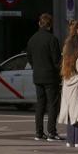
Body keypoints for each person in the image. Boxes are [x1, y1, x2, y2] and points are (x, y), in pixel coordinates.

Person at [26, 13, 63, 142]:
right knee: (52, 105)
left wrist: (36, 66)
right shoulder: (52, 39)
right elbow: (57, 60)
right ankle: (51, 132)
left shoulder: (32, 39)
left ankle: (39, 132)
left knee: (40, 104)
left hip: (37, 76)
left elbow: (29, 57)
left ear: (39, 24)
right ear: (50, 25)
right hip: (51, 76)